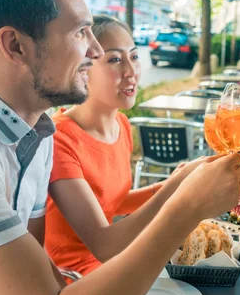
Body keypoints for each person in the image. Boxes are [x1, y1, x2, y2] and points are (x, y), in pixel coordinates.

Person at [0, 0, 240, 295]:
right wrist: (187, 206)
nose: (93, 51)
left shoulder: (38, 132)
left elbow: (43, 281)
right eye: (80, 32)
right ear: (15, 46)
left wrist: (178, 184)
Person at [44, 16, 189, 276]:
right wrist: (173, 196)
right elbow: (104, 245)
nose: (131, 71)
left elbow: (113, 203)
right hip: (73, 283)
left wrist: (175, 182)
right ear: (82, 68)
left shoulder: (121, 125)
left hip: (114, 267)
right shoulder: (58, 140)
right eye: (114, 59)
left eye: (134, 57)